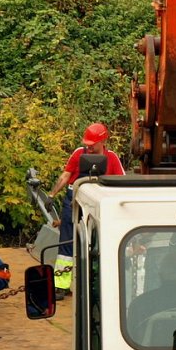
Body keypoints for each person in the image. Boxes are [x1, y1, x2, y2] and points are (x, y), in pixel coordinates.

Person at [47, 123, 125, 300]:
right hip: (73, 198)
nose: (89, 147)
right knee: (66, 240)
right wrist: (52, 194)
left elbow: (121, 181)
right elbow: (66, 175)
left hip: (98, 202)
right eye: (87, 143)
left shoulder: (112, 158)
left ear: (103, 141)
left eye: (92, 143)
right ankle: (61, 285)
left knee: (97, 240)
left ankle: (95, 284)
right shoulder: (78, 153)